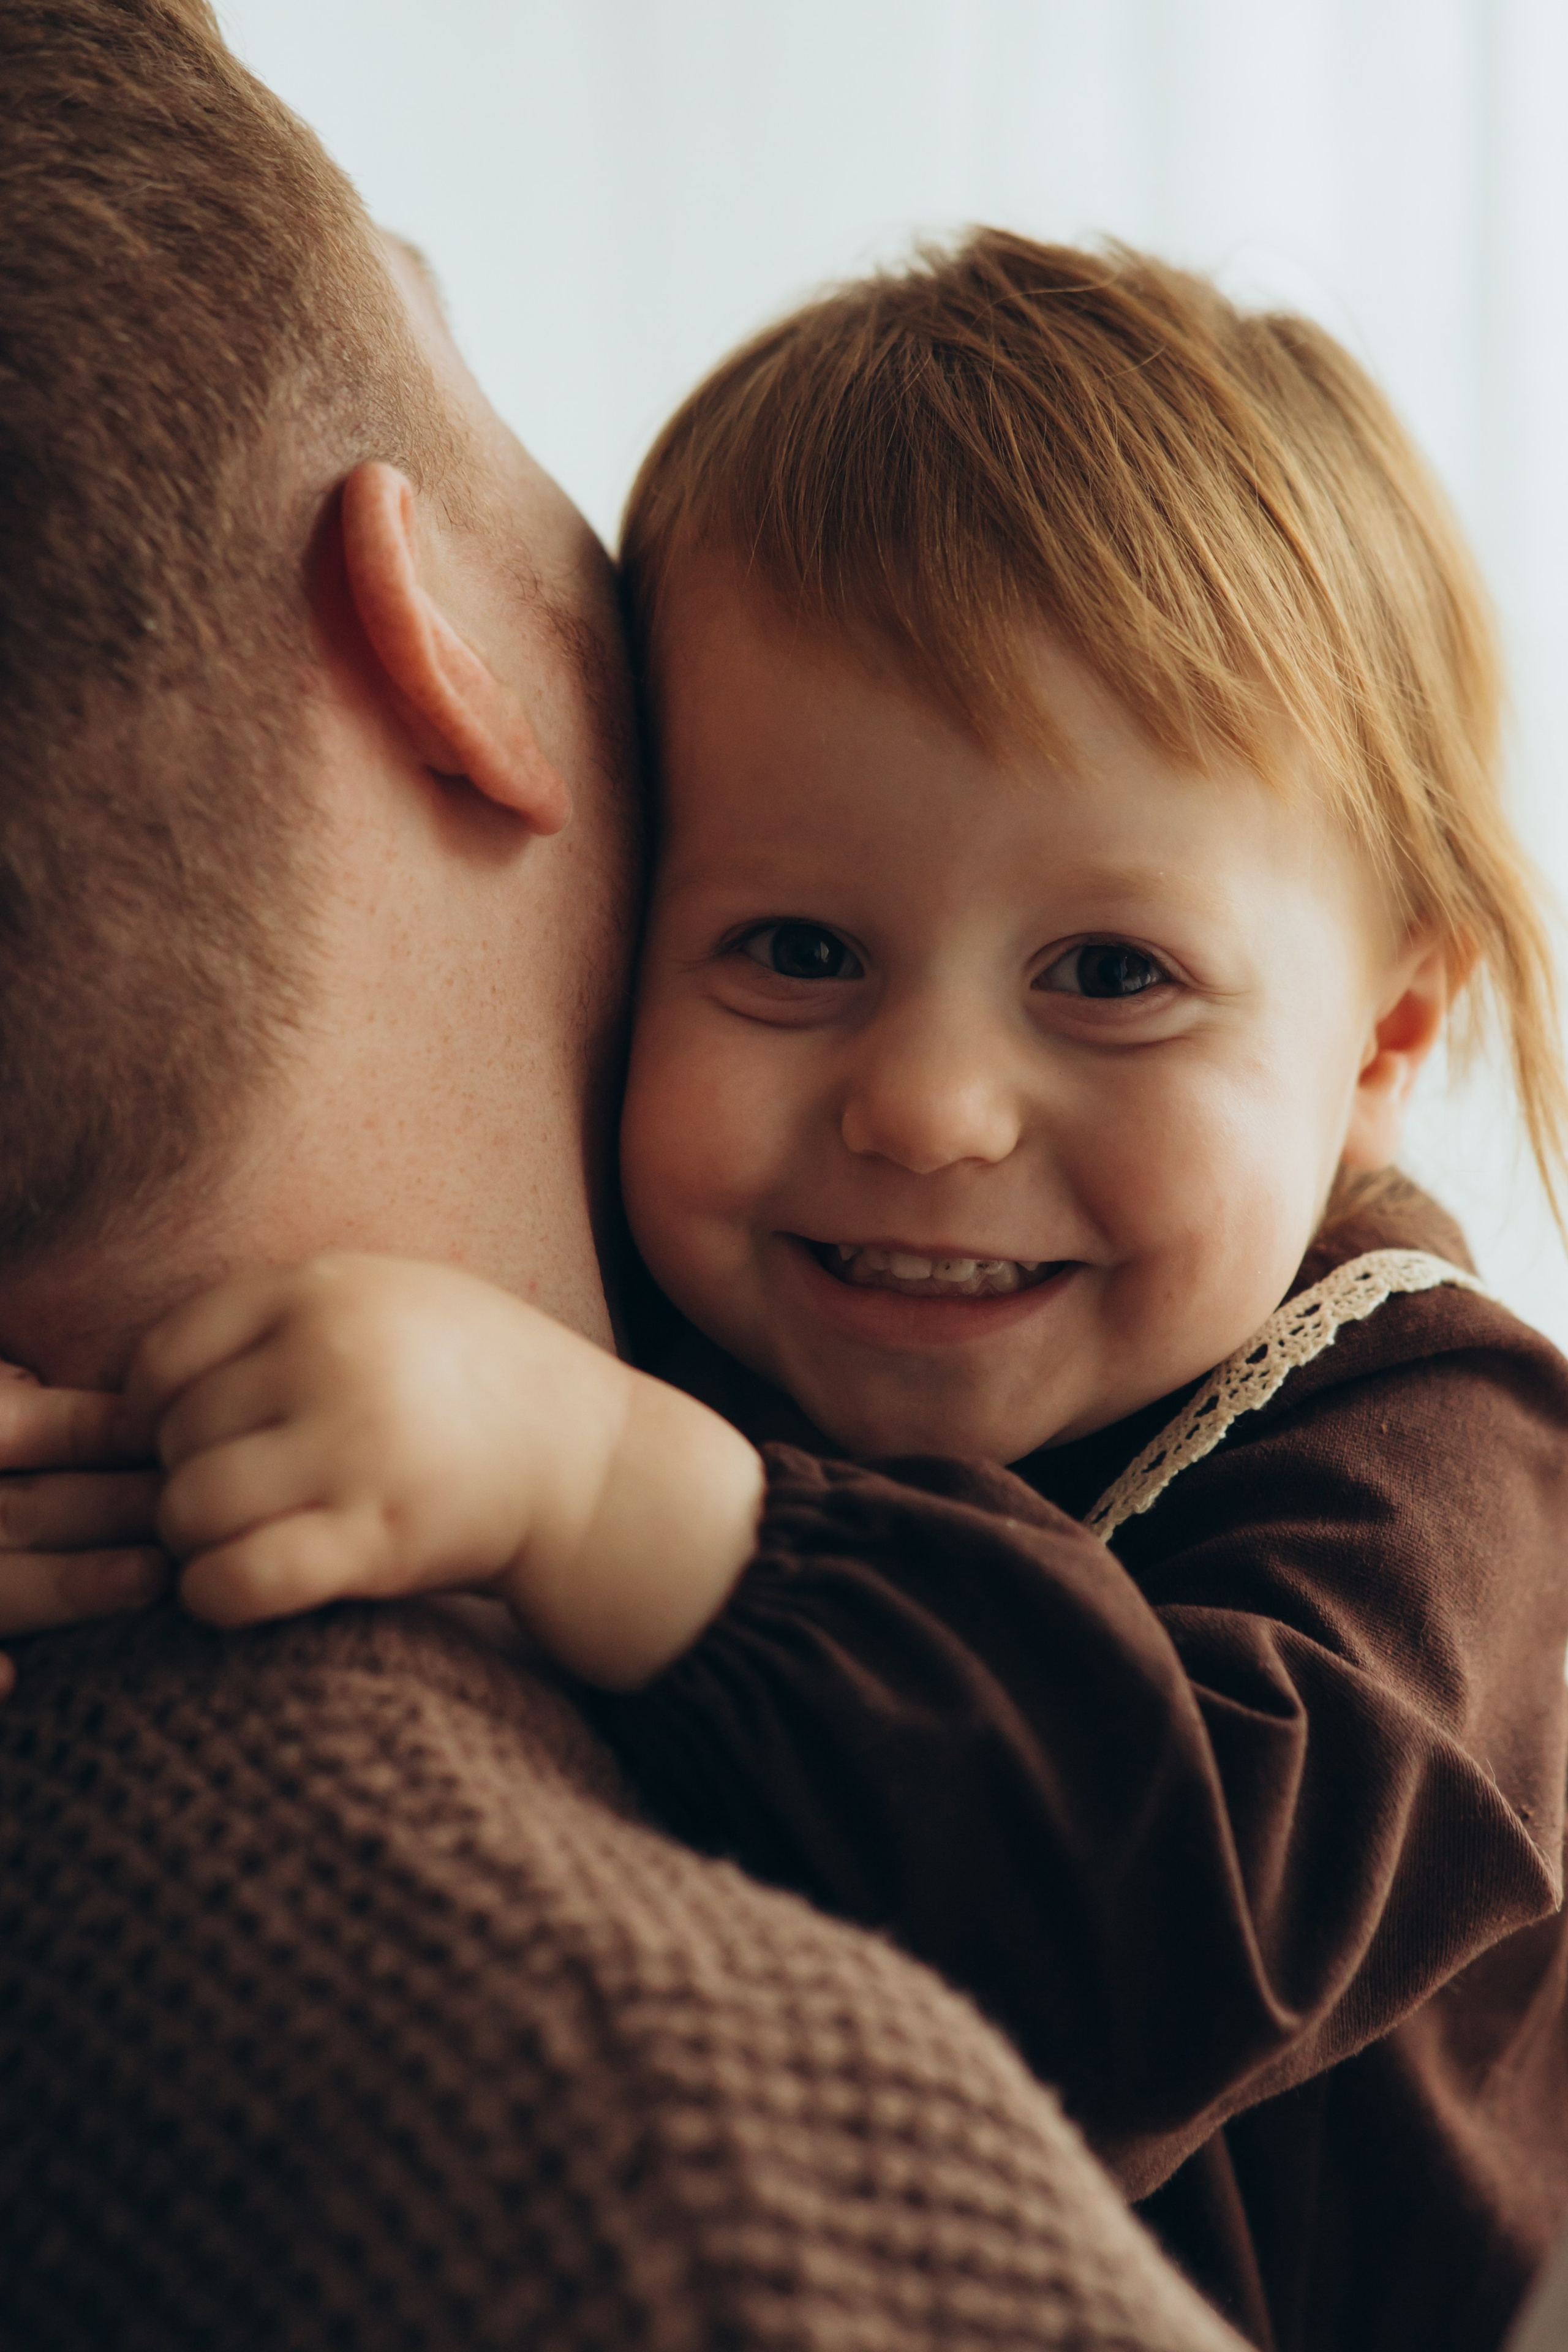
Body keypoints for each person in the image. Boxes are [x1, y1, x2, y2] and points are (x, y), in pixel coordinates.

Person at [51, 238, 1568, 2352]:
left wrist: (616, 1505)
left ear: (1385, 1044)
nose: (932, 1107)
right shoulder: (690, 1294)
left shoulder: (1435, 1447)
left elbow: (1185, 1930)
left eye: (1113, 978)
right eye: (795, 952)